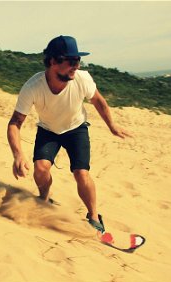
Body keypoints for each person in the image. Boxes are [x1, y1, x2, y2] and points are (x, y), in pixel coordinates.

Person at [7, 35, 132, 233]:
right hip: (48, 129)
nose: (76, 66)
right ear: (52, 62)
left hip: (76, 129)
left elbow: (98, 101)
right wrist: (17, 154)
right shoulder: (33, 87)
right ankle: (44, 198)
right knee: (40, 168)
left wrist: (112, 126)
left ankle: (93, 215)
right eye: (71, 61)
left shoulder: (82, 79)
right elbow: (15, 123)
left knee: (81, 174)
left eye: (78, 60)